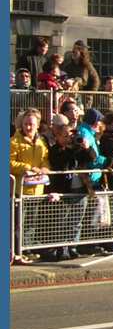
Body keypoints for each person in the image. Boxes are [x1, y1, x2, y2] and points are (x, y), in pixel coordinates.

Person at [44, 114, 96, 261]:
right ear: (58, 136)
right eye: (66, 136)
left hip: (80, 189)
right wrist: (70, 148)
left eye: (71, 135)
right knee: (61, 222)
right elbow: (61, 163)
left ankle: (72, 246)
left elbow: (92, 159)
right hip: (64, 191)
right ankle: (61, 248)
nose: (69, 138)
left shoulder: (77, 148)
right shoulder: (55, 150)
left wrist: (86, 147)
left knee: (76, 221)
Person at [10, 108, 50, 264]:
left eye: (31, 125)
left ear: (38, 125)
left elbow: (44, 159)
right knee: (17, 223)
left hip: (36, 189)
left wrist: (45, 168)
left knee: (30, 223)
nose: (28, 128)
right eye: (25, 124)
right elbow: (10, 163)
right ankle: (15, 252)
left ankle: (27, 250)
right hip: (19, 191)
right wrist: (28, 168)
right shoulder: (13, 142)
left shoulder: (41, 142)